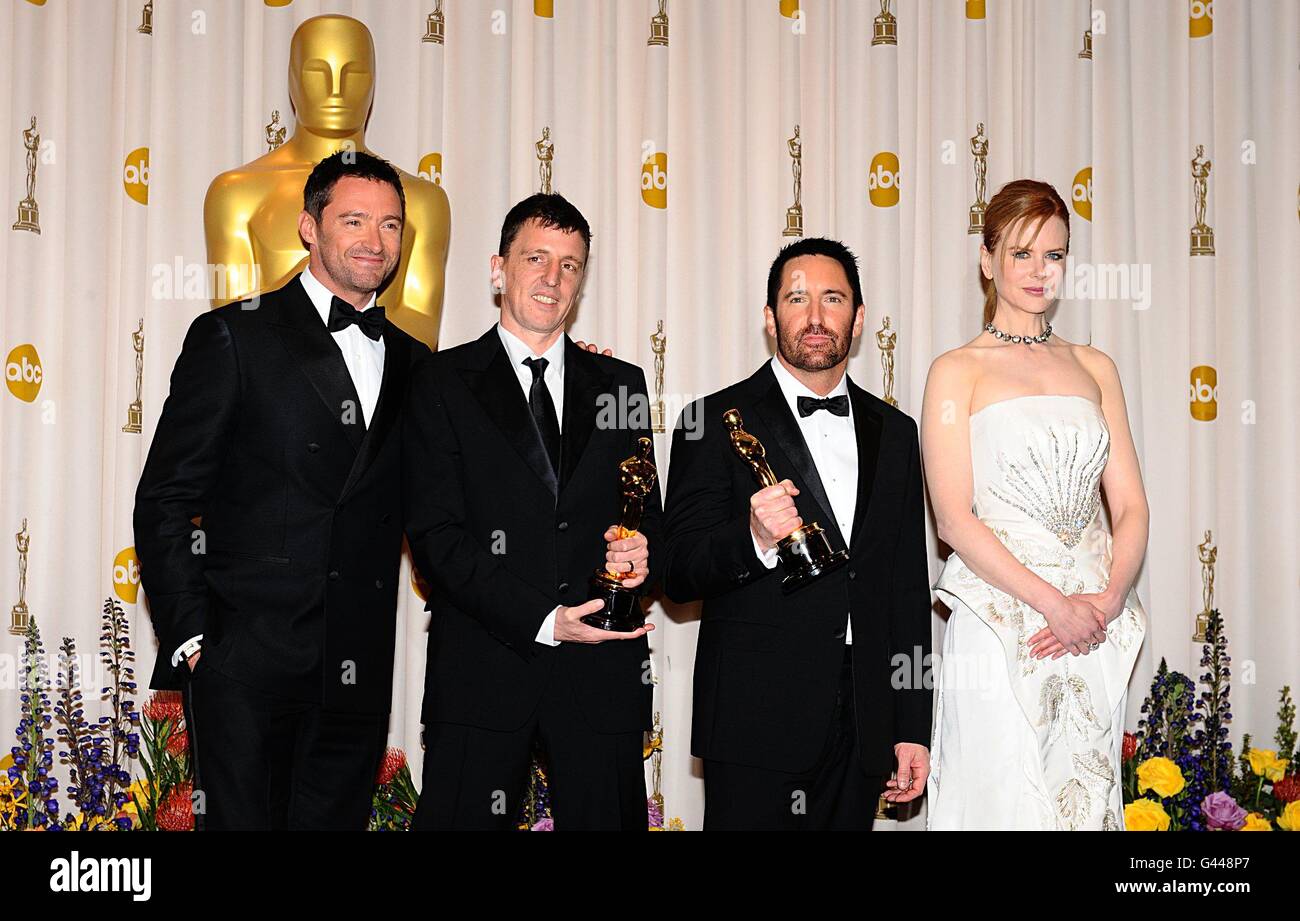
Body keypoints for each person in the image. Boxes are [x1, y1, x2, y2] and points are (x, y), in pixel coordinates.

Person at [134, 151, 425, 829]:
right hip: (244, 661)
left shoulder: (418, 362)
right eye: (353, 219)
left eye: (389, 224)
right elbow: (166, 496)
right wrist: (194, 643)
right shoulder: (236, 334)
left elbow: (440, 498)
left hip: (356, 666)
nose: (373, 239)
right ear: (307, 227)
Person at [404, 193, 660, 830]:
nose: (553, 279)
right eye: (536, 259)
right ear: (499, 268)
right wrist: (544, 619)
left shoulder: (622, 384)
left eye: (570, 265)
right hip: (482, 673)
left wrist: (643, 554)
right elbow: (435, 538)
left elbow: (645, 512)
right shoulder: (440, 382)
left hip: (601, 673)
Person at [662, 237, 932, 830]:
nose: (814, 317)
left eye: (832, 299)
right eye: (797, 298)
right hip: (753, 719)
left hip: (865, 722)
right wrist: (753, 537)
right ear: (769, 317)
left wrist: (913, 727)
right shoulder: (711, 421)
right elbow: (677, 570)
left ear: (858, 320)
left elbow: (908, 589)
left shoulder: (898, 433)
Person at [921, 179, 1149, 830]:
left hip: (1092, 627)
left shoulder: (1095, 365)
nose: (1038, 270)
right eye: (1021, 253)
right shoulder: (956, 370)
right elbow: (953, 517)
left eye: (1054, 254)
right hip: (1003, 619)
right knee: (1003, 791)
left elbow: (1132, 505)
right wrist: (1053, 604)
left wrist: (1103, 603)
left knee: (1081, 801)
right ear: (987, 260)